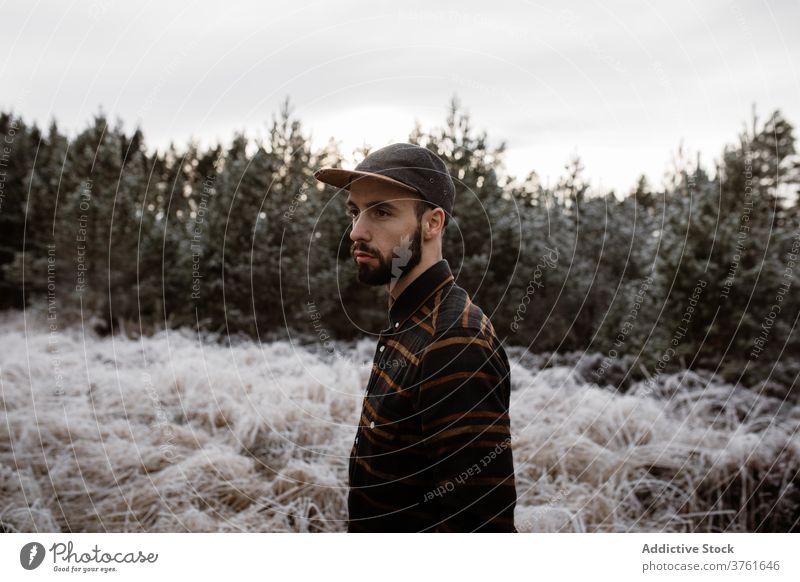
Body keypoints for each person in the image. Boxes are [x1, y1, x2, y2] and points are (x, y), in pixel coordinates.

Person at [314, 143, 517, 532]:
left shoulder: (455, 342)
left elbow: (480, 530)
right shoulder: (409, 323)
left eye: (382, 211)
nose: (356, 231)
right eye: (354, 212)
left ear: (432, 223)